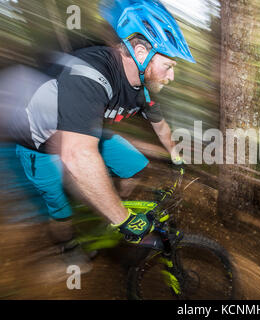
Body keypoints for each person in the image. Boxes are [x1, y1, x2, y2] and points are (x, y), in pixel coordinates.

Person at [5, 0, 195, 249]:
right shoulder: (89, 73)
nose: (171, 77)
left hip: (81, 131)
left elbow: (160, 125)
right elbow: (75, 154)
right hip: (39, 144)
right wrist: (124, 219)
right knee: (60, 207)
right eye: (168, 66)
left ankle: (103, 204)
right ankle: (67, 247)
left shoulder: (140, 90)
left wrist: (174, 154)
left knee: (135, 166)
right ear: (140, 54)